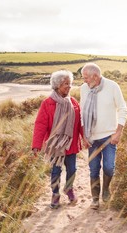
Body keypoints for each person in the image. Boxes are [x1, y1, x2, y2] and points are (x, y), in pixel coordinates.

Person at [80, 63, 127, 210]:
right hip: (92, 138)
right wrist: (84, 136)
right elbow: (82, 113)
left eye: (86, 78)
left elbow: (123, 109)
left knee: (109, 167)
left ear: (95, 76)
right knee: (93, 169)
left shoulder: (112, 86)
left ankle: (106, 189)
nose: (84, 81)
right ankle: (95, 198)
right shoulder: (84, 89)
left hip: (109, 136)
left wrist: (118, 131)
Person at [32, 70, 83, 209]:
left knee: (72, 169)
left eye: (70, 83)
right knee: (56, 171)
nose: (69, 86)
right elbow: (40, 125)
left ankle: (69, 188)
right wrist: (36, 144)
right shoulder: (47, 103)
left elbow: (79, 123)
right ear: (57, 85)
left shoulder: (73, 102)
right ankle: (55, 194)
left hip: (71, 144)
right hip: (55, 146)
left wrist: (85, 138)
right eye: (66, 84)